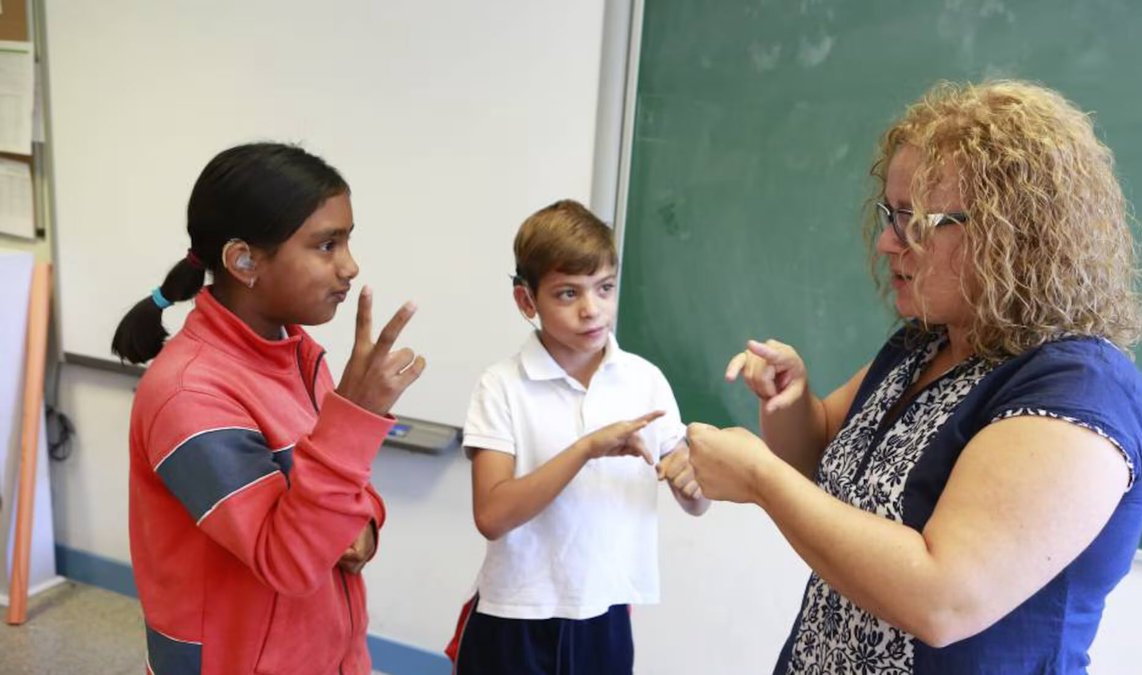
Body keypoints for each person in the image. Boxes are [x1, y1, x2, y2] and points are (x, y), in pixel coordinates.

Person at [686, 80, 1142, 674]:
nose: (887, 241)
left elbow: (944, 599)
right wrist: (792, 402)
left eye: (915, 221)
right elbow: (820, 461)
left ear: (1010, 233)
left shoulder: (1080, 391)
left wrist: (757, 479)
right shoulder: (930, 340)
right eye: (890, 214)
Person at [111, 142, 426, 674]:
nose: (350, 266)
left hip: (325, 654)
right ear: (243, 261)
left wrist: (366, 521)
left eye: (347, 241)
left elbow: (341, 485)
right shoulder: (188, 394)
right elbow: (289, 559)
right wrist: (355, 417)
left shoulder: (298, 355)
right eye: (326, 245)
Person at [449, 199, 709, 675]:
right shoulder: (502, 385)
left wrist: (691, 480)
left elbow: (696, 501)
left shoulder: (643, 380)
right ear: (527, 301)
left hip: (605, 613)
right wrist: (587, 448)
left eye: (604, 288)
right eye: (568, 294)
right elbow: (491, 514)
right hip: (516, 613)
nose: (592, 309)